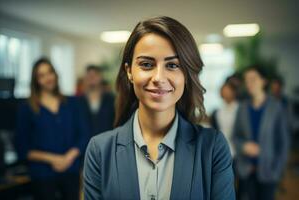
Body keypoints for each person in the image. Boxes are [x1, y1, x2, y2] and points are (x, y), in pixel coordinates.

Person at [83, 16, 235, 200]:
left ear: (186, 75)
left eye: (172, 65)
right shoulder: (99, 150)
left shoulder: (212, 147)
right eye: (147, 64)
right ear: (129, 71)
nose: (159, 78)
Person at [16, 58, 88, 200]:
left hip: (71, 170)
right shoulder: (27, 108)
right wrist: (53, 159)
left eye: (49, 72)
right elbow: (21, 147)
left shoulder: (73, 103)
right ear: (35, 81)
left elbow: (84, 135)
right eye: (41, 75)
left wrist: (67, 158)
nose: (47, 78)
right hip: (42, 175)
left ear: (55, 74)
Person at [232, 66, 289, 200]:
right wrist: (243, 146)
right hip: (246, 170)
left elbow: (283, 141)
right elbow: (235, 136)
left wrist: (277, 170)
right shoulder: (243, 107)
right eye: (246, 80)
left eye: (253, 79)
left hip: (269, 171)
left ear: (264, 81)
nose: (249, 83)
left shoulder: (276, 107)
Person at [78, 65, 115, 138]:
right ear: (85, 79)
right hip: (85, 145)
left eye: (94, 75)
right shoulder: (78, 102)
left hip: (108, 142)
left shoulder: (112, 100)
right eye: (89, 76)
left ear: (101, 77)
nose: (92, 78)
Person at [211, 81, 239, 157]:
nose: (225, 93)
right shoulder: (217, 112)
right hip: (222, 150)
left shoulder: (240, 109)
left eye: (228, 90)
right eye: (223, 90)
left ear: (234, 92)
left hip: (238, 152)